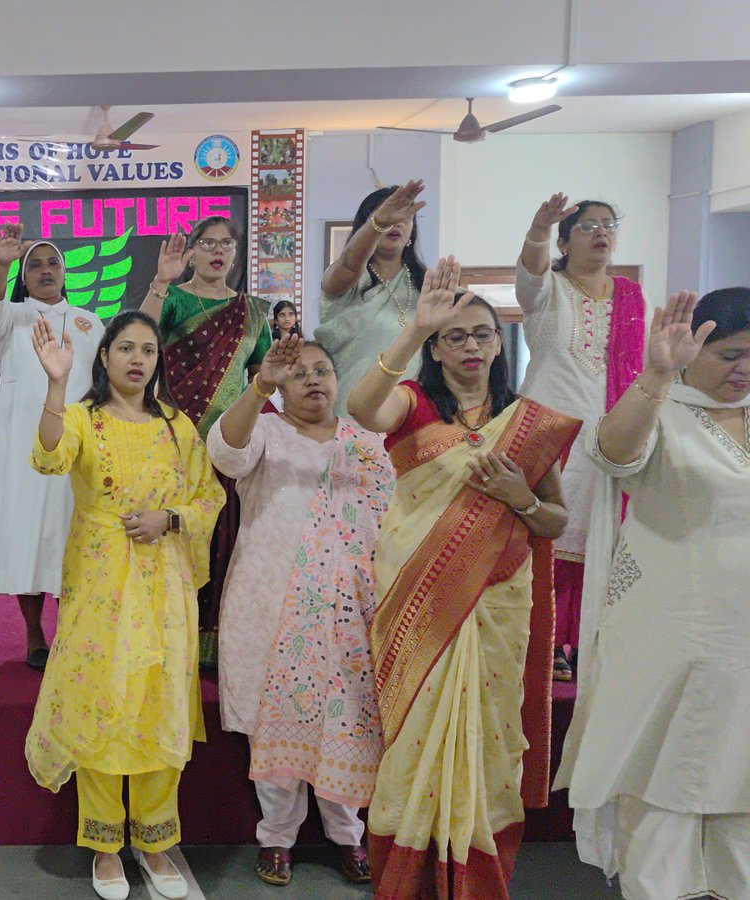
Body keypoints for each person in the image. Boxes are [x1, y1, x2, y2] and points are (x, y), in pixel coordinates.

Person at [346, 257, 580, 898]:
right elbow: (362, 407)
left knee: (486, 735)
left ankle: (475, 874)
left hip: (498, 601)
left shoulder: (529, 422)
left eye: (482, 334)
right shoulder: (414, 404)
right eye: (455, 336)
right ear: (437, 347)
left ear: (499, 343)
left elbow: (556, 519)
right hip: (420, 599)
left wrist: (520, 497)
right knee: (418, 731)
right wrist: (414, 329)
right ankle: (409, 875)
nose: (471, 345)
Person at [556, 288, 750, 900]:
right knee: (661, 769)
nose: (743, 369)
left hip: (741, 638)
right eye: (730, 354)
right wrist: (657, 375)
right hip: (668, 633)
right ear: (694, 349)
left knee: (740, 775)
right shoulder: (659, 410)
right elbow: (612, 454)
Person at [25, 311, 223, 900]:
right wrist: (56, 385)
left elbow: (208, 497)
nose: (138, 359)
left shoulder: (177, 426)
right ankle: (105, 843)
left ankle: (156, 839)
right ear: (105, 356)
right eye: (126, 348)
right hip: (101, 582)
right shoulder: (83, 418)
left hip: (165, 585)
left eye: (148, 350)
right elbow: (49, 459)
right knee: (102, 701)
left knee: (160, 702)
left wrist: (170, 518)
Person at [208, 334, 393, 886]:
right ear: (282, 388)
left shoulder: (368, 440)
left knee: (348, 716)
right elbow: (225, 454)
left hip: (350, 606)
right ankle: (277, 837)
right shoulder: (266, 431)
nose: (313, 380)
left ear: (338, 380)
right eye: (299, 373)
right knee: (277, 716)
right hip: (272, 599)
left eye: (322, 370)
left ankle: (348, 834)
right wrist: (258, 387)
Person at [514, 194, 648, 682]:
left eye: (608, 224)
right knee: (544, 533)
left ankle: (586, 640)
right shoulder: (547, 289)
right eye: (588, 226)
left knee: (600, 539)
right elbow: (530, 272)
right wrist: (538, 228)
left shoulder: (630, 297)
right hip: (548, 436)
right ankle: (540, 642)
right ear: (565, 242)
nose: (601, 233)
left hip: (609, 440)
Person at [0, 225, 104, 670]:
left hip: (77, 444)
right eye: (35, 265)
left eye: (52, 263)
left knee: (70, 535)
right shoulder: (12, 316)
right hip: (21, 445)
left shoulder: (89, 321)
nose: (45, 271)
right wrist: (2, 262)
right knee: (28, 536)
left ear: (64, 271)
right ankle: (34, 633)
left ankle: (71, 631)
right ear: (24, 277)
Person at [140, 217, 273, 668]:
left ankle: (213, 643)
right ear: (192, 251)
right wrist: (161, 282)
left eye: (226, 244)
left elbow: (261, 380)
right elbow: (140, 337)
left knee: (223, 539)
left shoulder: (253, 312)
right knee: (173, 537)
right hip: (174, 441)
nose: (218, 251)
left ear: (235, 254)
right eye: (208, 242)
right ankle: (166, 637)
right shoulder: (174, 299)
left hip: (228, 447)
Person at [317, 180, 430, 419]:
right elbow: (350, 263)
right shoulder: (346, 279)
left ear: (412, 232)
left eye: (406, 217)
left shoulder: (428, 286)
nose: (396, 222)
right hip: (352, 413)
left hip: (414, 415)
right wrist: (379, 222)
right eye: (388, 214)